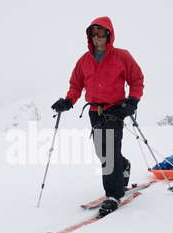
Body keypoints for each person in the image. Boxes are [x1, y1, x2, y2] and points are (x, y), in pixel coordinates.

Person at [51, 16, 144, 216]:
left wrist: (133, 101)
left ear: (109, 35)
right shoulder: (84, 61)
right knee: (102, 152)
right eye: (92, 32)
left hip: (115, 109)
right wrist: (68, 102)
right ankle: (124, 165)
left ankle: (113, 194)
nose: (96, 36)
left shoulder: (121, 56)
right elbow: (76, 85)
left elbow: (137, 79)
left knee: (109, 152)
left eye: (100, 32)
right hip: (94, 111)